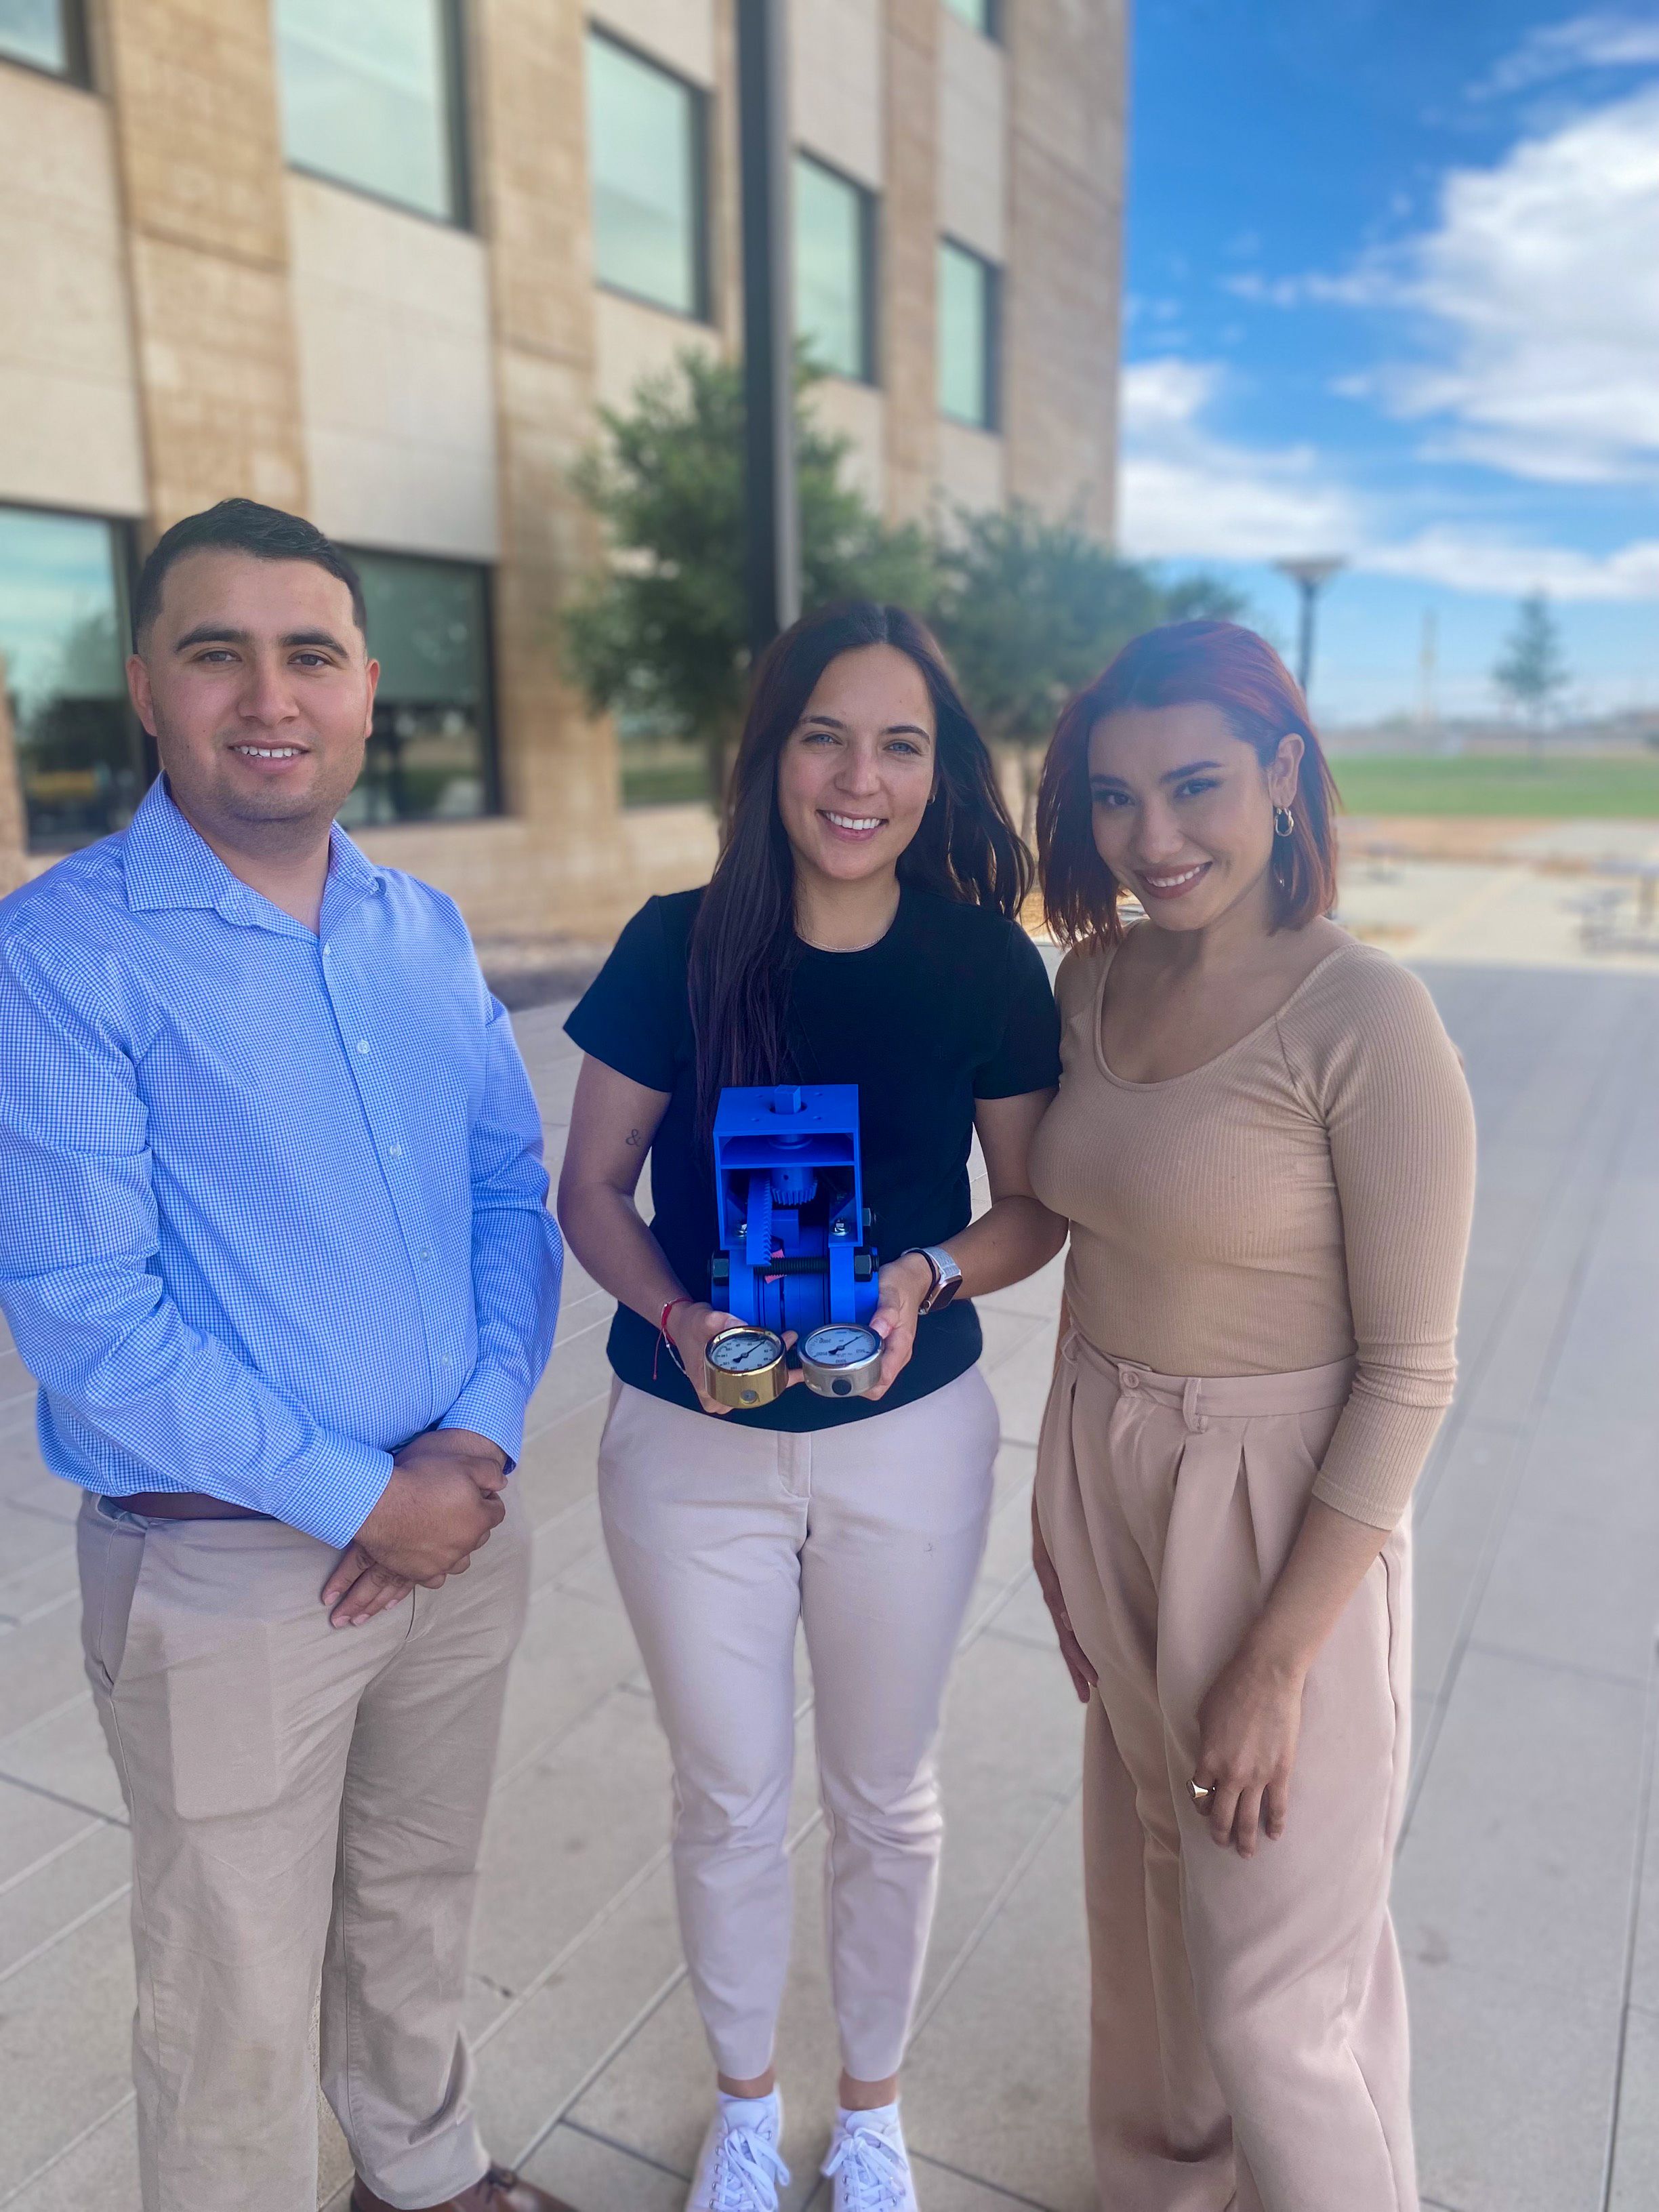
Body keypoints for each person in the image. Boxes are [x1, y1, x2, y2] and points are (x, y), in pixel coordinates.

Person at [0, 499, 572, 2212]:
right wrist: (355, 1497)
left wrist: (469, 1447)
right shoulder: (67, 950)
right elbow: (87, 1314)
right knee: (230, 1992)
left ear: (367, 689)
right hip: (230, 1569)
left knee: (415, 1897)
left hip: (457, 1527)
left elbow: (502, 1191)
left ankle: (423, 2167)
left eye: (309, 653)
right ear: (149, 690)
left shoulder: (422, 931)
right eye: (217, 651)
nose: (271, 693)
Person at [557, 602, 1065, 2212]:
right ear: (770, 754)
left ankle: (870, 2117)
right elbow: (593, 1185)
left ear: (939, 771)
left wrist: (925, 1275)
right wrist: (674, 1310)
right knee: (724, 1795)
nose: (862, 776)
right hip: (687, 1445)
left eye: (901, 743)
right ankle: (742, 2107)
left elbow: (1033, 1208)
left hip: (905, 1441)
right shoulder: (676, 943)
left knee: (883, 1797)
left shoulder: (985, 961)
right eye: (825, 736)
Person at [1026, 620, 1476, 2212]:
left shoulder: (1368, 1019)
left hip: (1282, 1509)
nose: (1153, 840)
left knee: (1283, 1983)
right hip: (1105, 1459)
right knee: (1151, 1887)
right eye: (1115, 799)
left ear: (1284, 776)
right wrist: (1053, 1502)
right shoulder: (1093, 979)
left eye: (1198, 785)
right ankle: (1163, 2185)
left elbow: (1412, 1372)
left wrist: (1280, 1661)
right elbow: (1087, 1236)